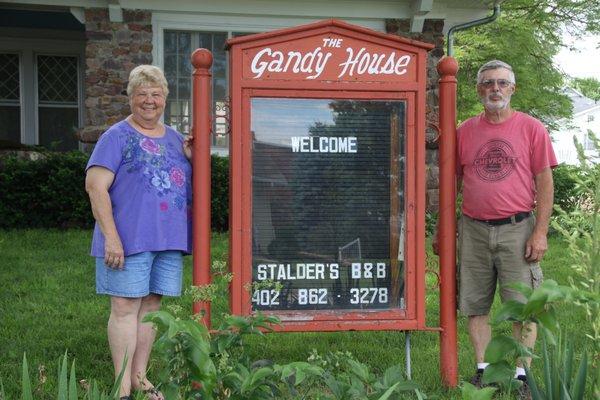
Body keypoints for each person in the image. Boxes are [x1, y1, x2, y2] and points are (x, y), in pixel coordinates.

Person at [435, 60, 557, 399]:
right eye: (488, 83)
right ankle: (484, 372)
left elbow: (545, 182)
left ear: (512, 89)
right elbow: (452, 184)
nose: (495, 89)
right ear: (478, 90)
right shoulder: (465, 132)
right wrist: (442, 230)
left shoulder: (532, 129)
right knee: (475, 304)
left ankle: (522, 377)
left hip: (518, 228)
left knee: (523, 306)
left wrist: (541, 231)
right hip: (472, 228)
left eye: (502, 83)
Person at [85, 65, 193, 400]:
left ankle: (141, 378)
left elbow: (195, 184)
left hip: (168, 239)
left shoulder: (177, 140)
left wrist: (192, 156)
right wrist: (111, 237)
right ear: (131, 98)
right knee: (125, 307)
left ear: (165, 99)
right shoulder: (115, 136)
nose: (149, 100)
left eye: (156, 94)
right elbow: (95, 187)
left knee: (152, 307)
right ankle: (122, 388)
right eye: (142, 94)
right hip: (128, 239)